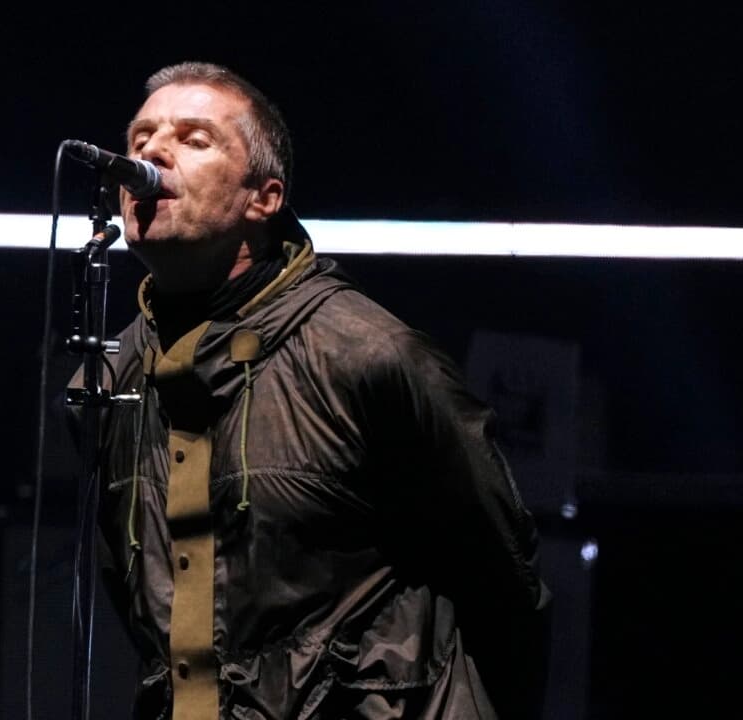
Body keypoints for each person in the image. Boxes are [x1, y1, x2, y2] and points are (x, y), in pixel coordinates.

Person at [87, 61, 550, 719]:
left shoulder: (372, 357)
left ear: (264, 198)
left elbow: (503, 574)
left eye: (193, 139)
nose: (152, 154)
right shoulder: (115, 380)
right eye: (140, 140)